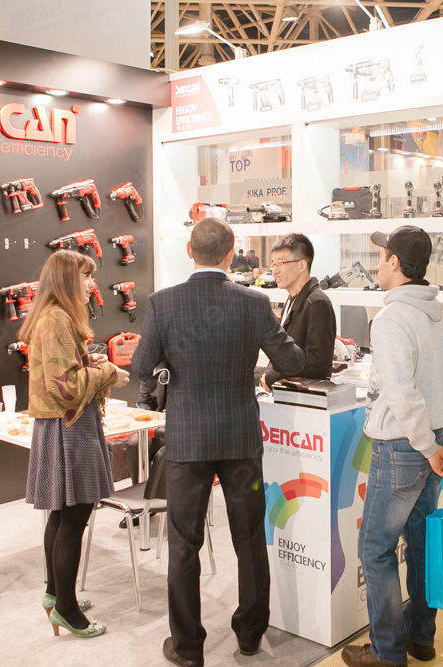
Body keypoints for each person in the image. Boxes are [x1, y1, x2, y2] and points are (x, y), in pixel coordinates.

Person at [132, 219, 305, 667]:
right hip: (240, 440)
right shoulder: (254, 302)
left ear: (190, 251)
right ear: (231, 254)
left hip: (188, 442)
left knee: (183, 544)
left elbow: (142, 366)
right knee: (249, 538)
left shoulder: (163, 302)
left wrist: (171, 364)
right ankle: (250, 635)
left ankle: (188, 648)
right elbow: (291, 361)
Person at [343, 226, 443, 667]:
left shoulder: (392, 318)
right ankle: (420, 638)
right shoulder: (439, 319)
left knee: (375, 550)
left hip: (401, 450)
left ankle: (387, 654)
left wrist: (432, 448)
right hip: (430, 446)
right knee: (419, 545)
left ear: (394, 263)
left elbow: (400, 391)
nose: (377, 264)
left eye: (381, 257)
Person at [19, 250, 130, 639]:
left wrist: (90, 364)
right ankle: (66, 610)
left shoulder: (55, 318)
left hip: (63, 424)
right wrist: (108, 371)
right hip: (70, 426)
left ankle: (56, 595)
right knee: (75, 516)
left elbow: (64, 373)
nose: (90, 284)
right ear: (68, 280)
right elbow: (65, 387)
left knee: (62, 514)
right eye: (85, 276)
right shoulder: (56, 320)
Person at [260, 233, 336, 390]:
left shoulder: (317, 302)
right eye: (273, 264)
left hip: (308, 396)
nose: (275, 270)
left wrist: (275, 375)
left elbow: (316, 361)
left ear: (302, 265)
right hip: (290, 392)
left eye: (281, 263)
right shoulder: (292, 299)